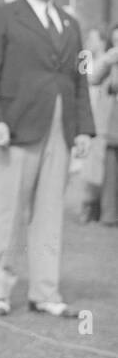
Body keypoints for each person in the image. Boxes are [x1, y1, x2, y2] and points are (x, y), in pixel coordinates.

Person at [0, 0, 94, 317]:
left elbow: (80, 79)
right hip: (15, 127)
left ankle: (45, 293)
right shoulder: (3, 17)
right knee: (8, 213)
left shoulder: (71, 24)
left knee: (49, 214)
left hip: (60, 128)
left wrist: (85, 129)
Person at [88, 23, 118, 227]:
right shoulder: (107, 61)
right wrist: (108, 60)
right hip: (112, 128)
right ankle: (108, 216)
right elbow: (92, 78)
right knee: (109, 175)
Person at [78, 25, 108, 222]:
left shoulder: (108, 60)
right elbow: (82, 82)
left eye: (93, 38)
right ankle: (87, 206)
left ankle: (97, 206)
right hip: (90, 117)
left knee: (101, 163)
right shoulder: (85, 58)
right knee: (88, 165)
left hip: (104, 117)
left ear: (102, 41)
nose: (89, 42)